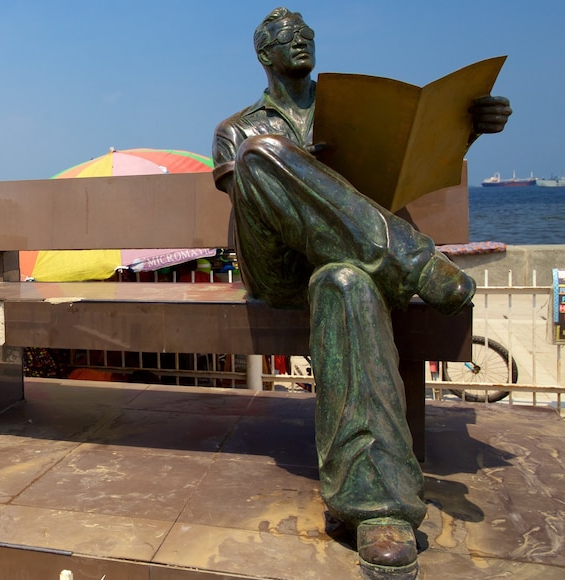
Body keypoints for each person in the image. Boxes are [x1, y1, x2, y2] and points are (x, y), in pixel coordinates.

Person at [211, 7, 511, 577]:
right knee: (261, 157)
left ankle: (379, 509)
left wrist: (465, 124)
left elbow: (413, 162)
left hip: (351, 265)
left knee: (346, 282)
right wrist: (304, 168)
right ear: (263, 54)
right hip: (277, 268)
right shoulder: (237, 128)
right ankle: (417, 262)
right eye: (283, 37)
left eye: (306, 34)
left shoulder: (355, 114)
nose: (298, 41)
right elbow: (254, 199)